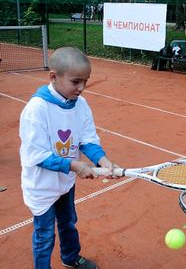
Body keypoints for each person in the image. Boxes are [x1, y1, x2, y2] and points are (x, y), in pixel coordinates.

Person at [19, 47, 119, 269]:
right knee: (44, 236)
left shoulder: (81, 105)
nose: (82, 88)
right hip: (41, 187)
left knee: (68, 223)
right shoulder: (36, 109)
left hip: (65, 184)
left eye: (85, 81)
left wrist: (102, 161)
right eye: (76, 82)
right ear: (54, 77)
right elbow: (38, 155)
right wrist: (74, 165)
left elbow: (87, 140)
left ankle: (70, 257)